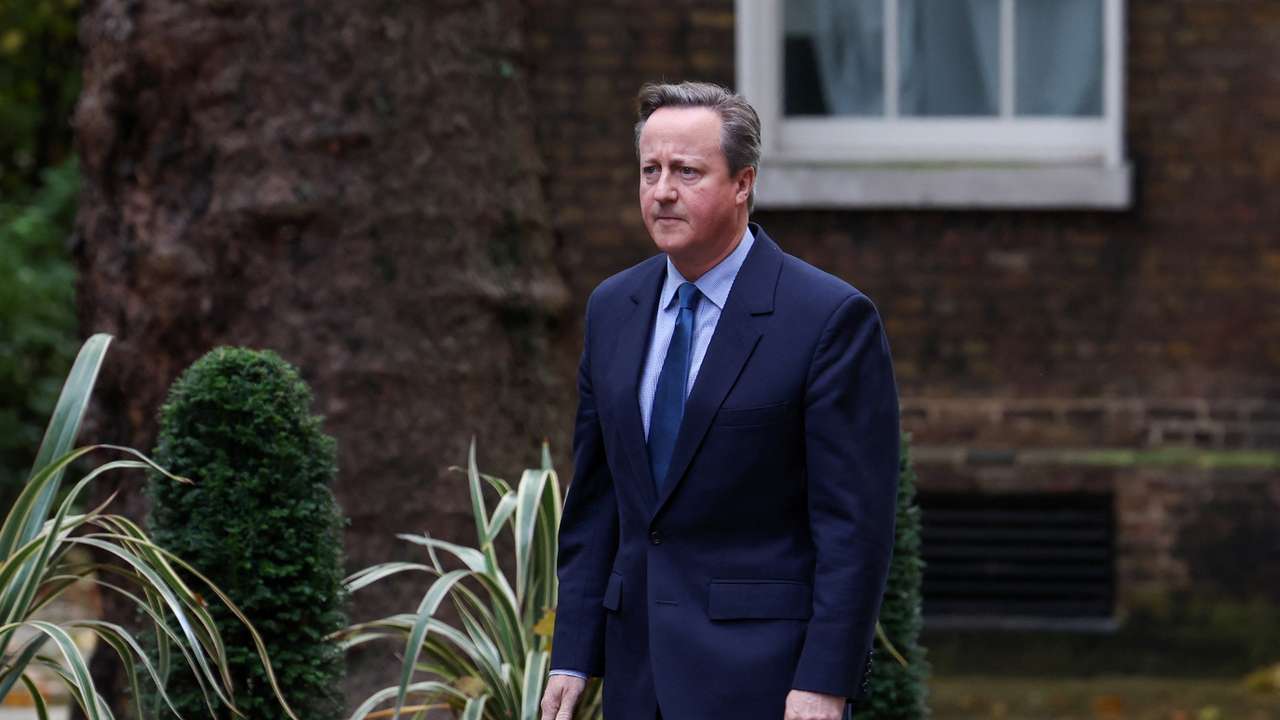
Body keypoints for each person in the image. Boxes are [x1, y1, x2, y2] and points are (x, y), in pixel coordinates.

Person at [540, 81, 900, 720]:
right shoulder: (611, 308)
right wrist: (572, 653)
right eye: (650, 170)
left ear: (743, 183)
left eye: (687, 171)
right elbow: (596, 503)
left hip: (766, 681)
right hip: (637, 676)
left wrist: (825, 681)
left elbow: (854, 528)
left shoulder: (827, 319)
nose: (662, 191)